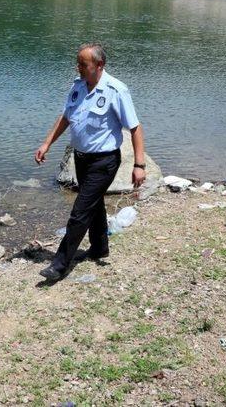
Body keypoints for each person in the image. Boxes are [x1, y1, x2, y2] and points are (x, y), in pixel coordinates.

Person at [34, 43, 146, 280]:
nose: (78, 68)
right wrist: (46, 144)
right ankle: (99, 248)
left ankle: (59, 265)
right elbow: (66, 116)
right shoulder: (78, 87)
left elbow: (135, 128)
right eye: (78, 63)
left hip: (104, 161)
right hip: (81, 158)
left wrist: (139, 165)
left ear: (99, 65)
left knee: (80, 211)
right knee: (93, 204)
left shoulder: (116, 90)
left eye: (83, 64)